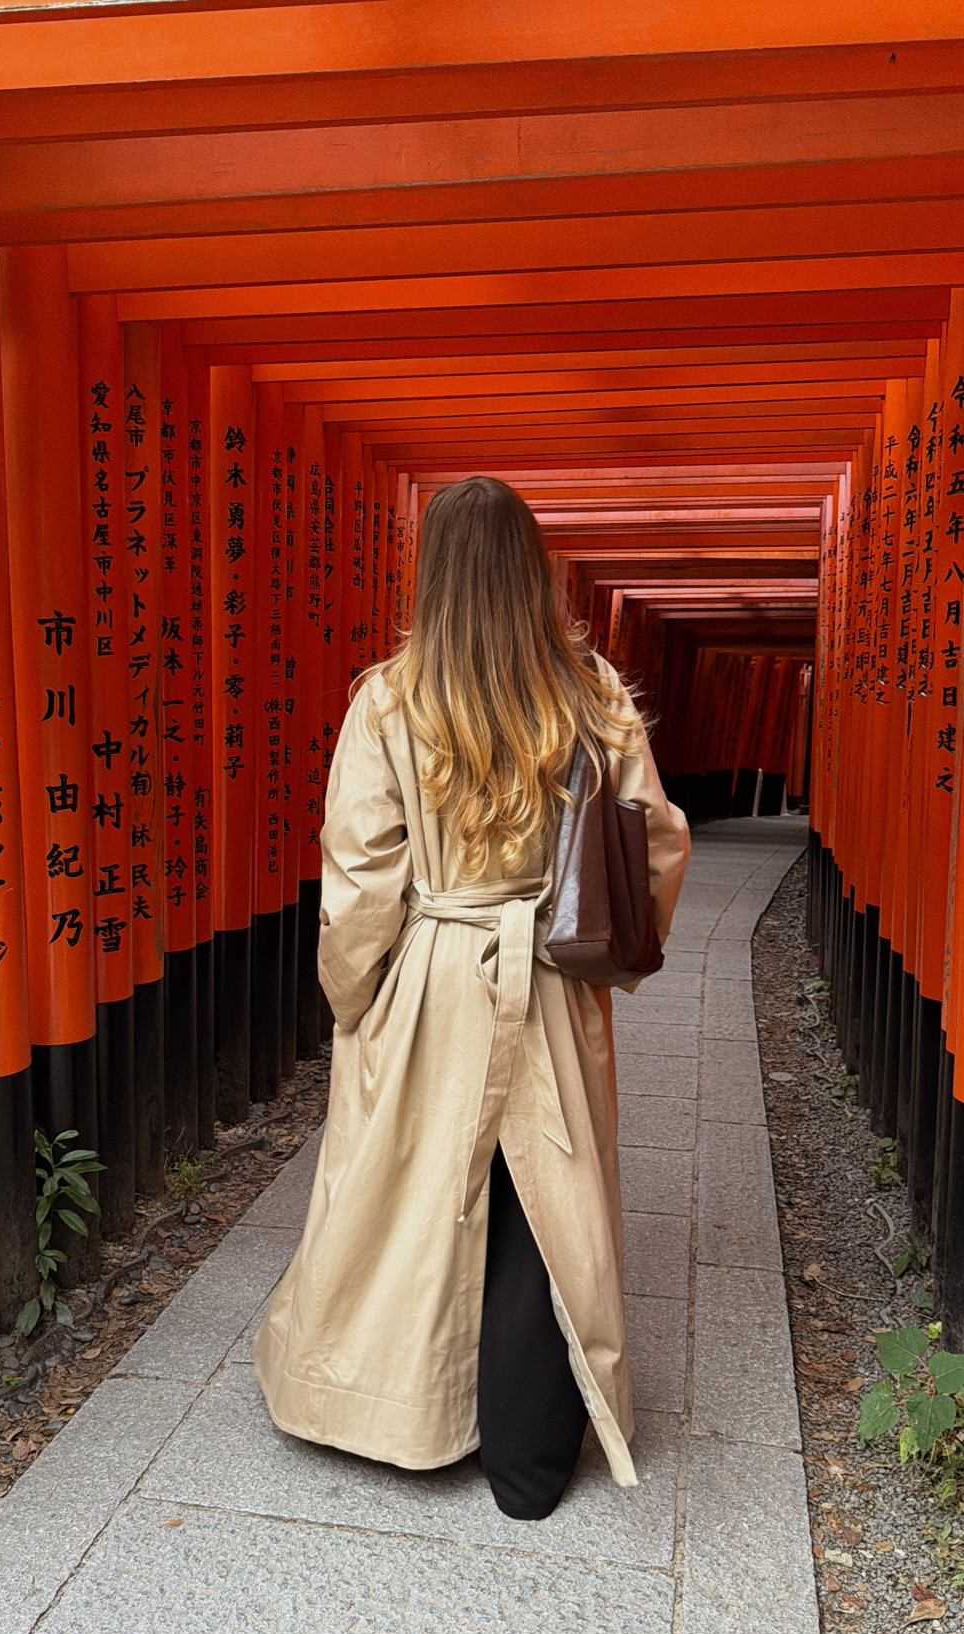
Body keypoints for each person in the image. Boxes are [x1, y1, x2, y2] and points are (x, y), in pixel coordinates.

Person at [254, 477, 690, 1519]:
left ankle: (403, 1412)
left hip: (433, 971)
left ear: (434, 572)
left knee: (414, 1191)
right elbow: (656, 844)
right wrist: (610, 955)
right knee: (543, 1208)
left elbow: (361, 877)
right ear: (535, 571)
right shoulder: (590, 693)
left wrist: (353, 999)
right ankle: (531, 1465)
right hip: (546, 975)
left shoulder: (391, 699)